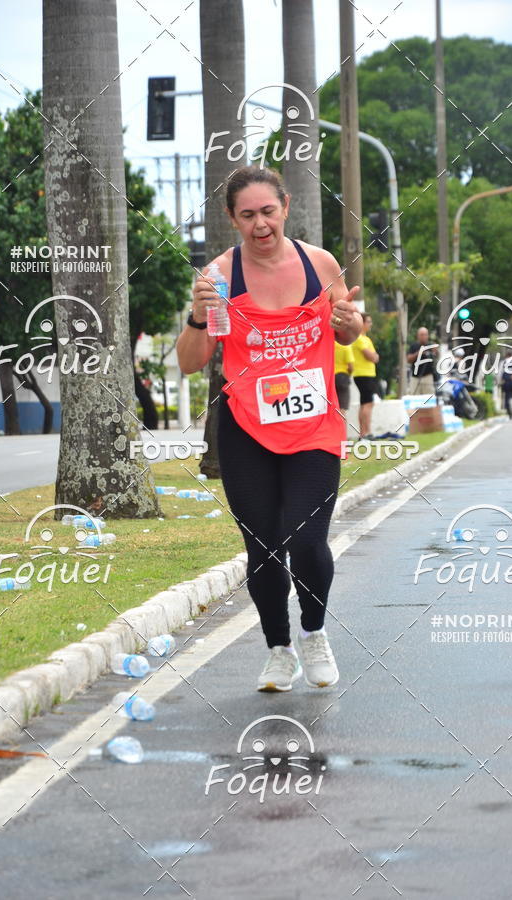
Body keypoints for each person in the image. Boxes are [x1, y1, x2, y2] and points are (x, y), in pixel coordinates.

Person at [176, 165, 363, 691]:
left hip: (313, 427)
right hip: (246, 430)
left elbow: (346, 327)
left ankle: (314, 631)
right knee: (262, 548)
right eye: (247, 215)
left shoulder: (319, 263)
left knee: (306, 540)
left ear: (284, 207)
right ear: (233, 219)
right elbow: (192, 362)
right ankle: (278, 649)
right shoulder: (219, 277)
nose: (260, 224)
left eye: (268, 211)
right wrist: (197, 316)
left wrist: (349, 325)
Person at [351, 314, 380, 438]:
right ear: (362, 323)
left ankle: (363, 433)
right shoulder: (358, 338)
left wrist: (374, 357)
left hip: (368, 374)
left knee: (365, 403)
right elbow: (372, 356)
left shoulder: (366, 339)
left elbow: (376, 357)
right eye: (368, 321)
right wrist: (374, 357)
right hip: (363, 374)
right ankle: (366, 432)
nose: (370, 324)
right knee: (368, 403)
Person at [407, 326, 437, 394]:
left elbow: (436, 357)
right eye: (422, 335)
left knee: (429, 398)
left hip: (427, 376)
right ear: (418, 336)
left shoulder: (430, 345)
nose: (424, 336)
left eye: (425, 334)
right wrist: (419, 353)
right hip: (415, 377)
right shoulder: (414, 346)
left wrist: (435, 352)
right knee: (414, 397)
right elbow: (408, 359)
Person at [334, 340, 355, 436]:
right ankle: (342, 436)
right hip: (342, 377)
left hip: (330, 377)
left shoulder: (330, 344)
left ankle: (333, 435)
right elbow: (351, 367)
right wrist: (349, 374)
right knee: (342, 409)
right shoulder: (346, 346)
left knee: (333, 408)